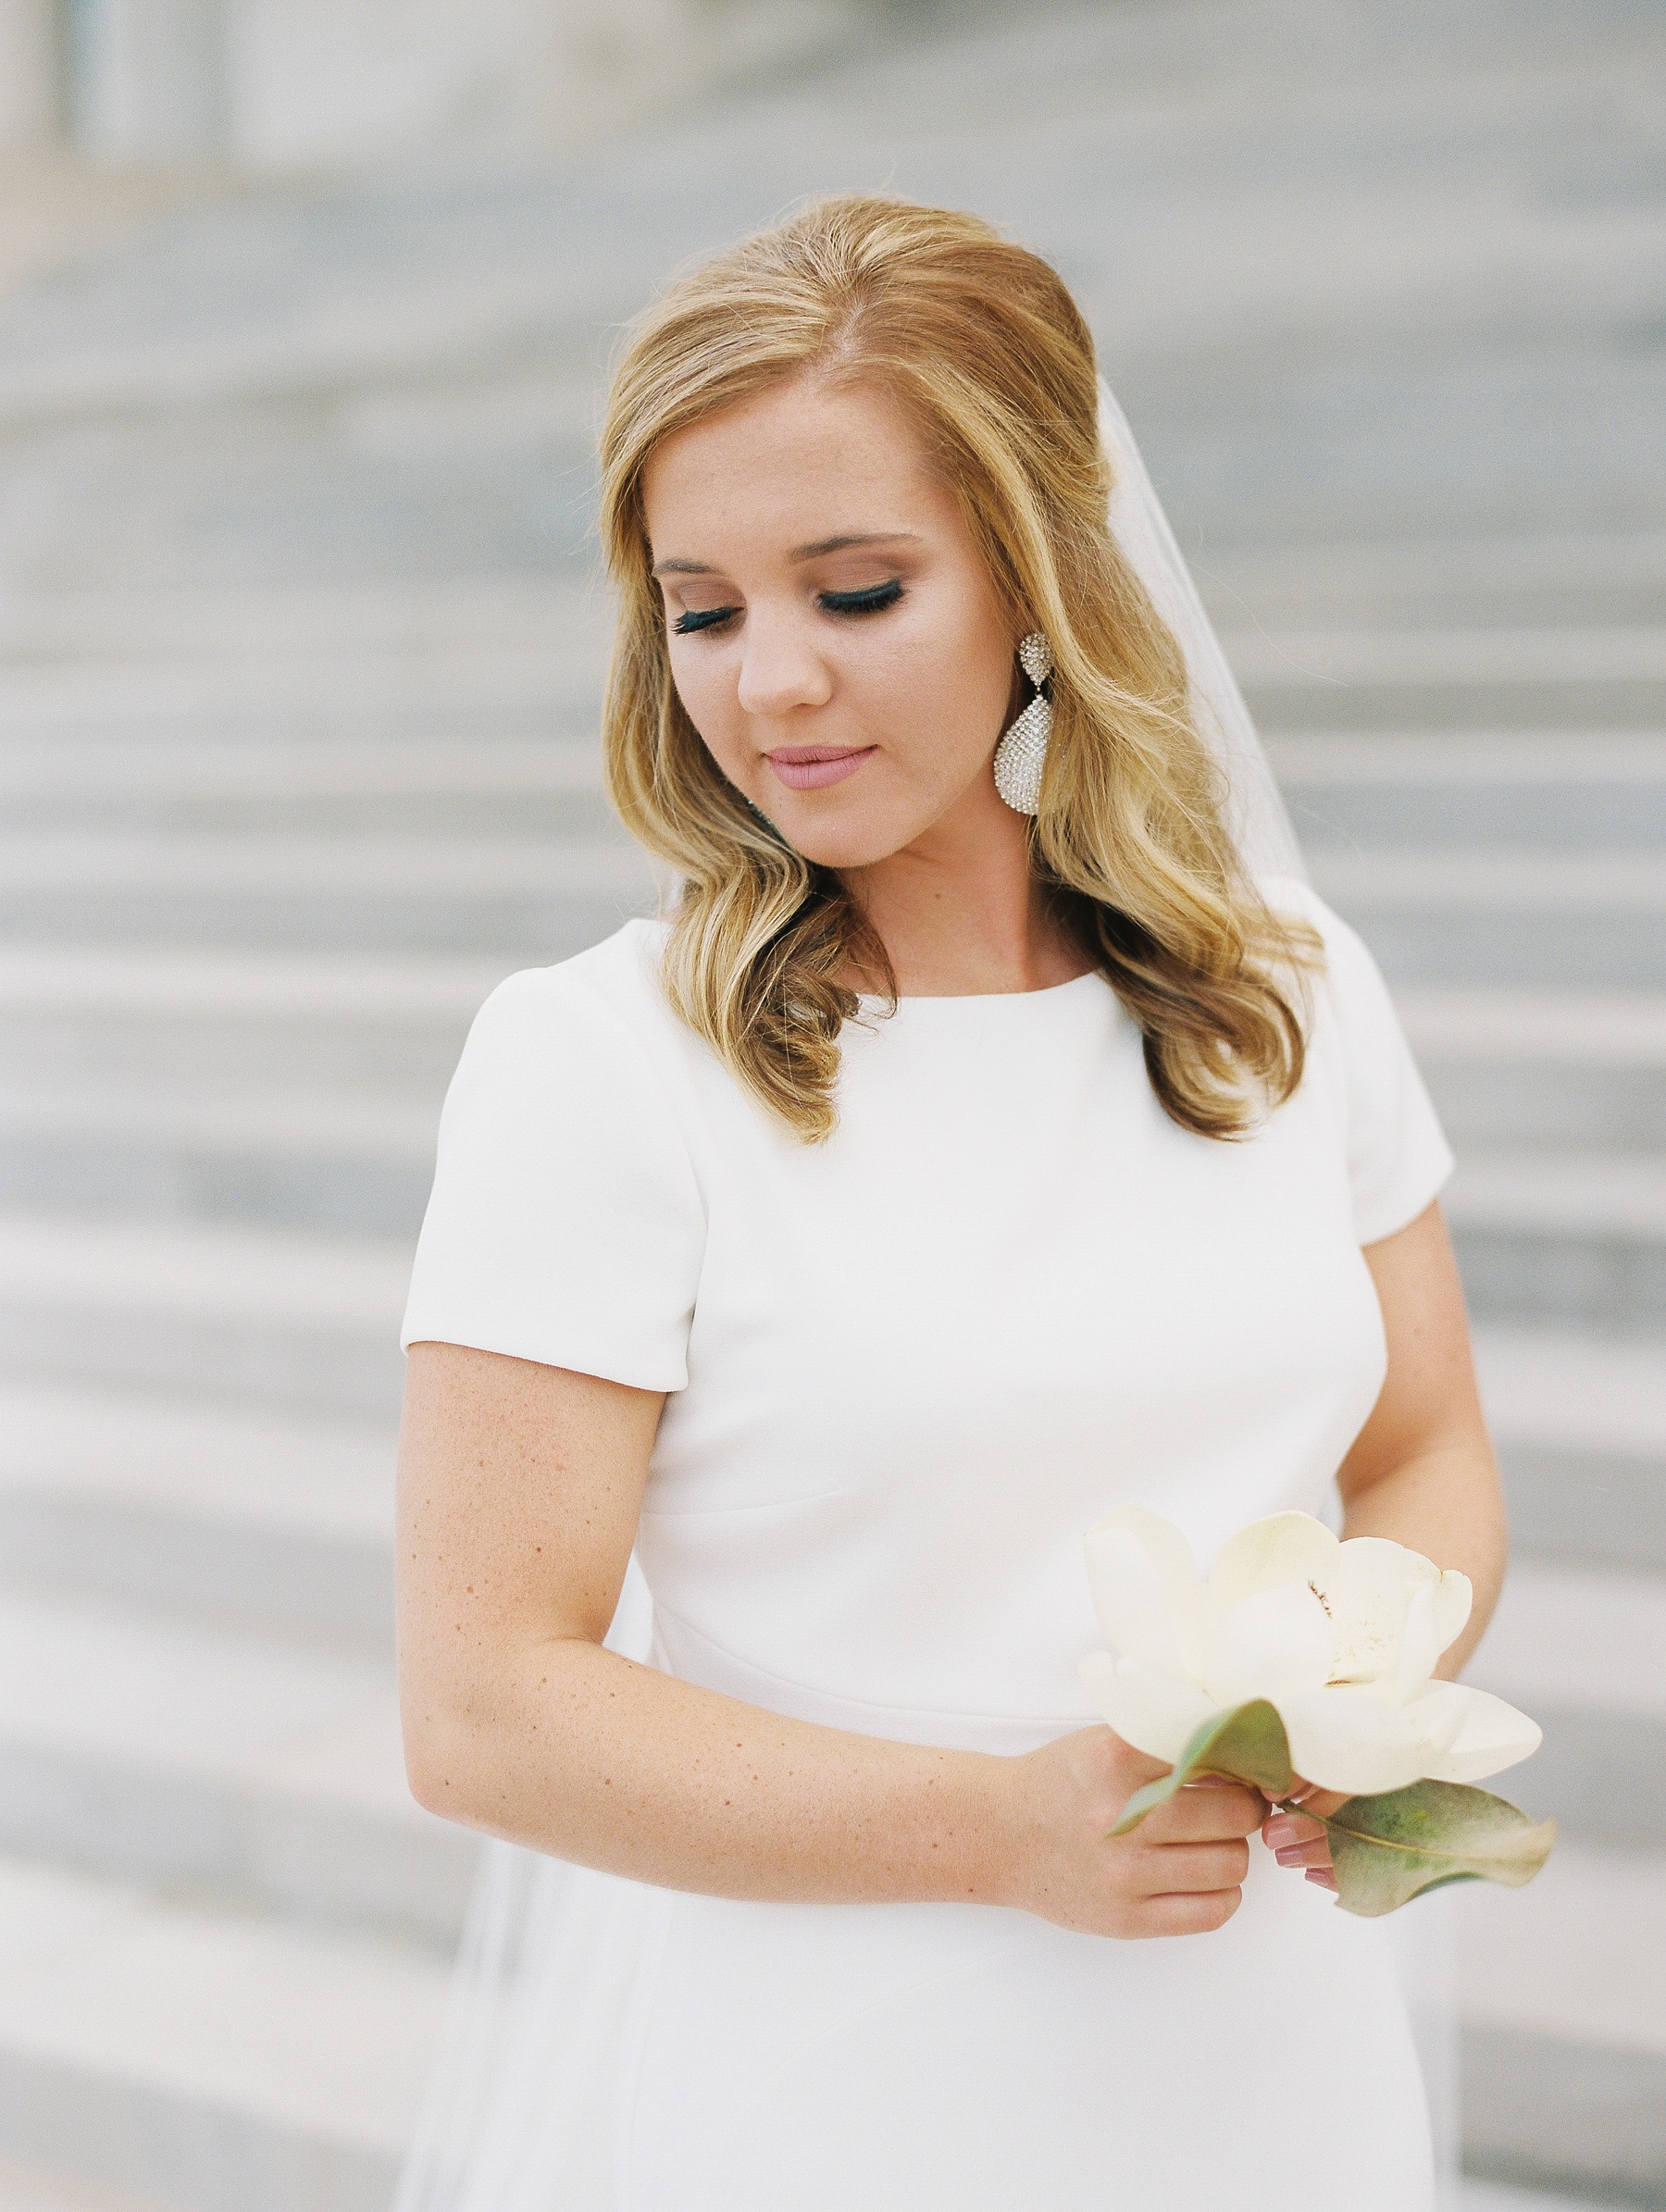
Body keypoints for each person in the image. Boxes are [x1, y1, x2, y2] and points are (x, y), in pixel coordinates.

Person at [393, 193, 1506, 2211]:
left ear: (1038, 577)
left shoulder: (1288, 990)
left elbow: (1423, 1444)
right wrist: (1001, 1829)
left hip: (1272, 2066)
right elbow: (484, 1707)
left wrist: (1347, 1699)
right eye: (705, 607)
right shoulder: (600, 1065)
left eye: (858, 589)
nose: (773, 686)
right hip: (842, 2089)